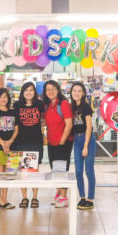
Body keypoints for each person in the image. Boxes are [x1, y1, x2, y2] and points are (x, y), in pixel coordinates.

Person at [13, 82, 45, 209]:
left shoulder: (39, 104)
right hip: (20, 142)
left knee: (35, 171)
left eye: (31, 90)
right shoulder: (17, 105)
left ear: (34, 92)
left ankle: (35, 197)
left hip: (36, 141)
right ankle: (25, 197)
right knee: (23, 171)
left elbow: (44, 119)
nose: (28, 92)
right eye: (26, 90)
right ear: (22, 92)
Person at [43, 80, 73, 208]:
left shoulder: (63, 104)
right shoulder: (48, 105)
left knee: (61, 170)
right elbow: (45, 123)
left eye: (53, 89)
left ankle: (64, 197)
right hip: (51, 142)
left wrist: (62, 140)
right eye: (48, 89)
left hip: (63, 142)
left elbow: (69, 123)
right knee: (54, 169)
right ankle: (59, 194)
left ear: (58, 90)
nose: (50, 91)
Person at [0, 88, 18, 209]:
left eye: (5, 97)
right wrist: (3, 144)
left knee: (9, 176)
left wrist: (10, 142)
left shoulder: (13, 112)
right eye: (0, 97)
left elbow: (16, 129)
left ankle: (4, 199)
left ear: (8, 98)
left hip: (13, 147)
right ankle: (0, 200)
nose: (3, 99)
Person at [70, 82, 96, 210]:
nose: (76, 93)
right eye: (74, 90)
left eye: (79, 91)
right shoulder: (71, 107)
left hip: (88, 139)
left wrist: (85, 146)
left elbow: (89, 126)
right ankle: (82, 198)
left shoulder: (86, 107)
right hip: (77, 139)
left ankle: (90, 199)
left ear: (83, 93)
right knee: (78, 171)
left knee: (89, 170)